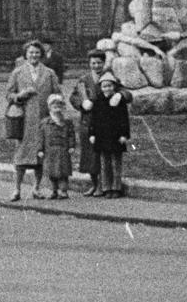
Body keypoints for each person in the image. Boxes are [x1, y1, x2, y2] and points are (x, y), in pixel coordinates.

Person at [4, 39, 61, 202]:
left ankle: (36, 188)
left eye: (37, 52)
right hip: (24, 120)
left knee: (40, 155)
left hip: (43, 119)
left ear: (41, 54)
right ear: (26, 54)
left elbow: (57, 93)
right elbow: (8, 94)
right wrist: (20, 95)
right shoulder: (18, 72)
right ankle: (17, 189)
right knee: (21, 155)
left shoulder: (49, 73)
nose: (34, 55)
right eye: (31, 52)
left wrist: (54, 107)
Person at [69, 50, 110, 195]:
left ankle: (104, 185)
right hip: (87, 121)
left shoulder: (110, 77)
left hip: (105, 122)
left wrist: (117, 96)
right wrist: (81, 103)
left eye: (99, 63)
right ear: (89, 63)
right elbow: (73, 97)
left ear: (104, 63)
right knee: (89, 155)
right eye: (93, 63)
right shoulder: (83, 80)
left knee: (103, 155)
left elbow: (124, 93)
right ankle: (94, 184)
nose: (96, 66)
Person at [88, 72, 132, 198]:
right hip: (102, 136)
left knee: (116, 163)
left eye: (109, 86)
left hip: (116, 136)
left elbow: (124, 119)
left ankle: (116, 188)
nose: (107, 89)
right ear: (101, 88)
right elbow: (93, 119)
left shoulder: (119, 101)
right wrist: (92, 133)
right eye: (104, 86)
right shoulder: (98, 101)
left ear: (114, 87)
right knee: (104, 164)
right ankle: (106, 188)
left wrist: (124, 135)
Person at [38, 94, 74, 200]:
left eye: (59, 104)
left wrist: (71, 146)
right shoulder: (45, 123)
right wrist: (40, 149)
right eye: (54, 104)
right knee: (51, 172)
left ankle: (63, 191)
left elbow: (71, 135)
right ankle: (54, 191)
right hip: (50, 151)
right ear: (49, 107)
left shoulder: (67, 122)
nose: (57, 106)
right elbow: (40, 137)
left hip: (63, 150)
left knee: (63, 172)